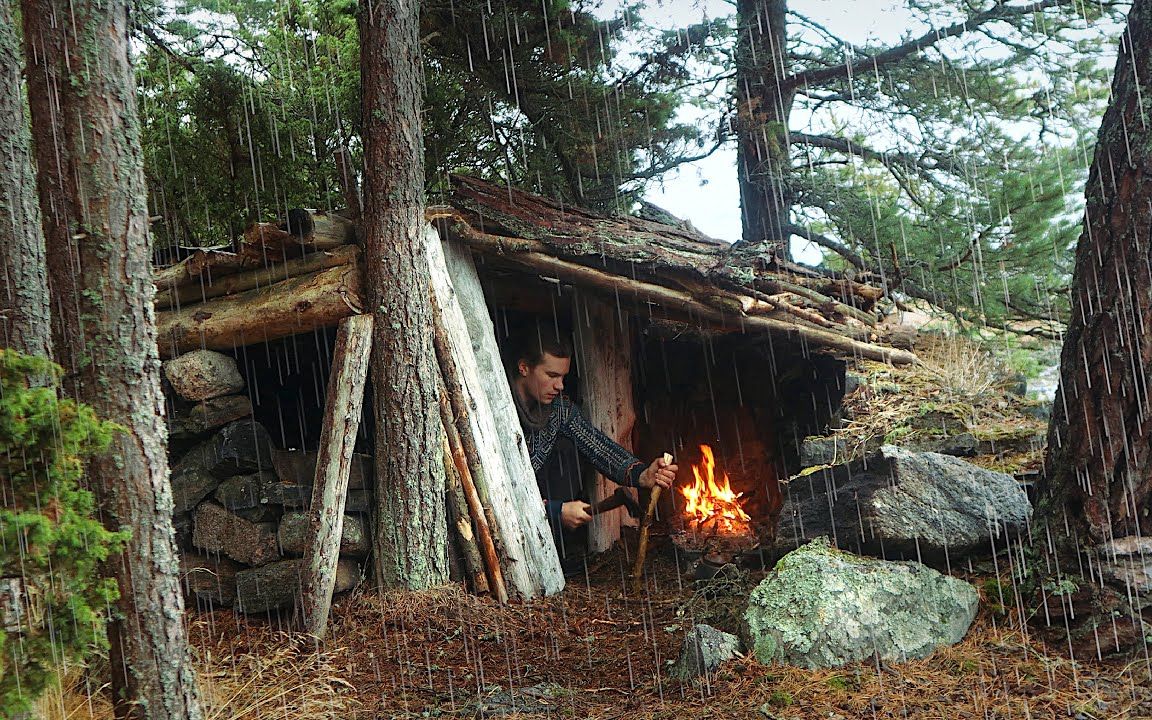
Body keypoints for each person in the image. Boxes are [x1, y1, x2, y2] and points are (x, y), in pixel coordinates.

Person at [507, 324, 677, 534]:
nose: (560, 385)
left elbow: (598, 447)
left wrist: (641, 475)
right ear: (523, 368)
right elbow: (498, 488)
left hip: (532, 516)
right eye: (551, 375)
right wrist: (554, 510)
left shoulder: (559, 409)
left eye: (563, 377)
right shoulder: (493, 410)